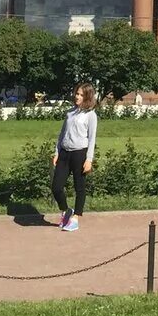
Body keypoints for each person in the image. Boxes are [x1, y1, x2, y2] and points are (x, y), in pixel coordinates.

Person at [52, 83, 98, 232]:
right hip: (65, 153)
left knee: (79, 187)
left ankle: (76, 218)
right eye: (76, 94)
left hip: (80, 153)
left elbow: (92, 139)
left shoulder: (91, 115)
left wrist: (89, 159)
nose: (77, 97)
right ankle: (66, 211)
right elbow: (62, 134)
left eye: (81, 95)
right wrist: (57, 152)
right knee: (56, 187)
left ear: (87, 97)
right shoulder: (70, 113)